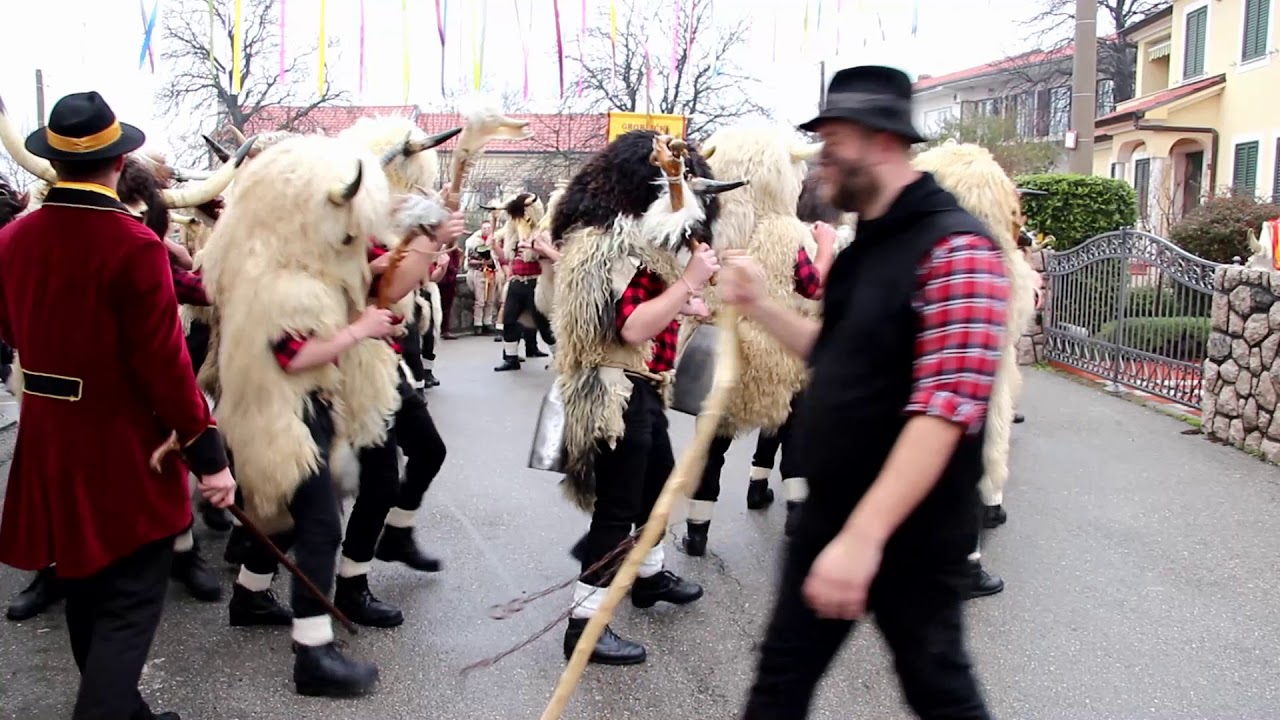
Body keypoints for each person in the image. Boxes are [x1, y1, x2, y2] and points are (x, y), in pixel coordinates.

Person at [725, 66, 1007, 719]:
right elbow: (836, 353)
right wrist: (761, 306)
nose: (822, 158)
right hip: (832, 513)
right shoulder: (864, 249)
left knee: (939, 691)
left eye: (834, 141)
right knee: (778, 685)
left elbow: (943, 411)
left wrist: (864, 537)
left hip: (912, 534)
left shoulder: (959, 250)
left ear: (881, 141)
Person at [0, 90, 235, 720]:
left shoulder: (12, 238)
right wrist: (210, 457)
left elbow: (9, 330)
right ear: (117, 160)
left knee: (85, 585)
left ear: (56, 161)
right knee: (130, 602)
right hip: (123, 446)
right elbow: (166, 367)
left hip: (48, 439)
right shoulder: (133, 243)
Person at [551, 130, 746, 665]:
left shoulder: (629, 243)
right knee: (616, 511)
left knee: (657, 488)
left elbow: (636, 313)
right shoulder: (611, 246)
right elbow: (632, 327)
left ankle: (649, 576)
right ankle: (584, 627)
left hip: (638, 386)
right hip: (614, 392)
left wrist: (683, 301)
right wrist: (687, 285)